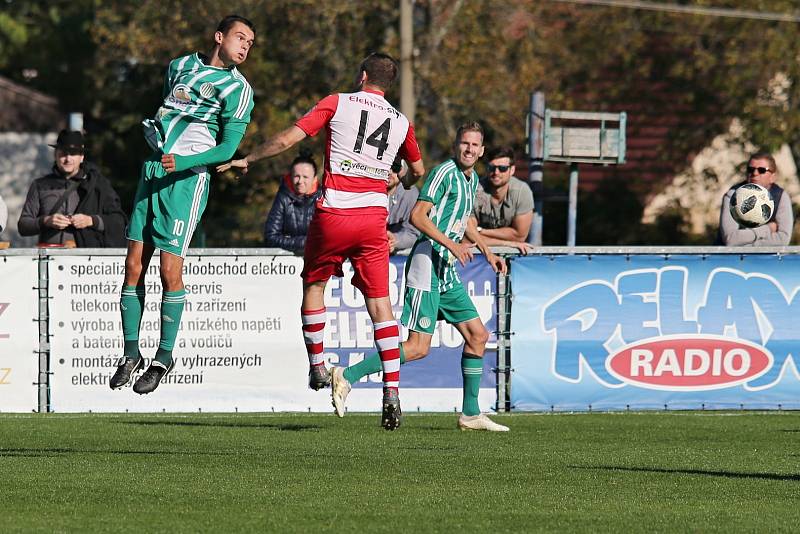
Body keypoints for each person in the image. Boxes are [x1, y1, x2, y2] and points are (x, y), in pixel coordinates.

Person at [217, 52, 425, 430]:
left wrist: (248, 158)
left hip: (334, 215)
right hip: (372, 222)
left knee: (314, 285)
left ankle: (317, 366)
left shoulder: (338, 102)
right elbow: (418, 171)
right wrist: (397, 181)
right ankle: (392, 391)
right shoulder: (400, 122)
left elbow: (287, 138)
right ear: (389, 84)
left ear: (362, 76)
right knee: (381, 307)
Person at [331, 121, 510, 432]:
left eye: (474, 145)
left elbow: (464, 219)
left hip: (446, 269)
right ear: (457, 146)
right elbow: (417, 216)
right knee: (418, 347)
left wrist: (487, 250)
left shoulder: (470, 181)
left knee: (478, 336)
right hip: (427, 265)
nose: (469, 149)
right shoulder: (444, 173)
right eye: (464, 143)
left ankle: (470, 414)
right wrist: (451, 244)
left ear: (481, 151)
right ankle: (348, 375)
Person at [109, 15, 256, 395]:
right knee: (132, 264)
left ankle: (163, 357)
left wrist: (186, 161)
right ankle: (130, 353)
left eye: (251, 43)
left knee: (168, 269)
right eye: (240, 37)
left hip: (187, 181)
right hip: (155, 171)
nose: (245, 46)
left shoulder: (239, 90)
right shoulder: (179, 66)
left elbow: (227, 148)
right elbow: (170, 115)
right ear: (219, 37)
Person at [17, 130, 128, 248]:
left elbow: (119, 222)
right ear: (56, 154)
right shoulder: (39, 185)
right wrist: (46, 221)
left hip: (86, 262)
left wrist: (91, 220)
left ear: (82, 157)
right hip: (49, 260)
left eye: (73, 153)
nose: (68, 159)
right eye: (63, 153)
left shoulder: (98, 185)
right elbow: (23, 226)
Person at [719, 152, 793, 246]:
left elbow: (783, 240)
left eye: (761, 170)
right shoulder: (732, 196)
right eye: (751, 169)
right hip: (731, 259)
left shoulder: (781, 196)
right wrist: (768, 229)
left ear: (772, 177)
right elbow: (731, 239)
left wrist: (746, 244)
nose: (755, 173)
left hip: (768, 259)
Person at [471, 146, 534, 251]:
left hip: (512, 255)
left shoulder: (522, 192)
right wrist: (508, 243)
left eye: (502, 168)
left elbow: (519, 236)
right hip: (477, 255)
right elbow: (467, 238)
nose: (496, 172)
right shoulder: (474, 191)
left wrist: (481, 232)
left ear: (512, 170)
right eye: (492, 168)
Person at [263, 151, 322, 252]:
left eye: (305, 177)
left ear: (314, 179)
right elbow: (270, 237)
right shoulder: (283, 197)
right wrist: (304, 243)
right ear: (290, 176)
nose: (300, 181)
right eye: (296, 176)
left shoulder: (324, 198)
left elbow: (332, 237)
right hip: (287, 264)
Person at [386, 158, 419, 254]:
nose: (389, 172)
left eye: (395, 168)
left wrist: (394, 240)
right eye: (385, 167)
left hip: (396, 252)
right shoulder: (366, 191)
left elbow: (413, 233)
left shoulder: (410, 194)